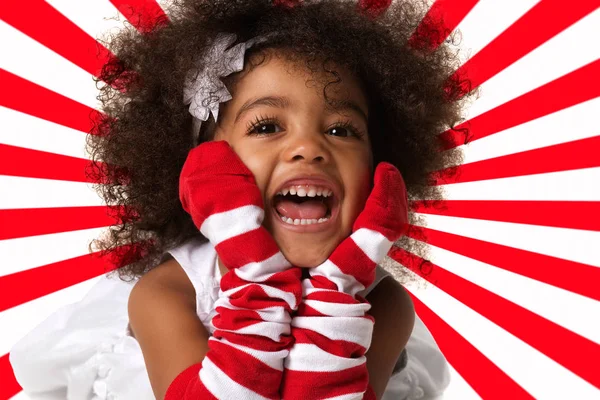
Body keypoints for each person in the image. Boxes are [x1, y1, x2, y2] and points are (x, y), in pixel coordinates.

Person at [10, 0, 471, 399]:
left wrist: (340, 287)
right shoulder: (168, 294)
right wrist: (256, 273)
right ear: (202, 166)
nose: (309, 148)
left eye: (340, 129)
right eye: (267, 126)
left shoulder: (384, 305)